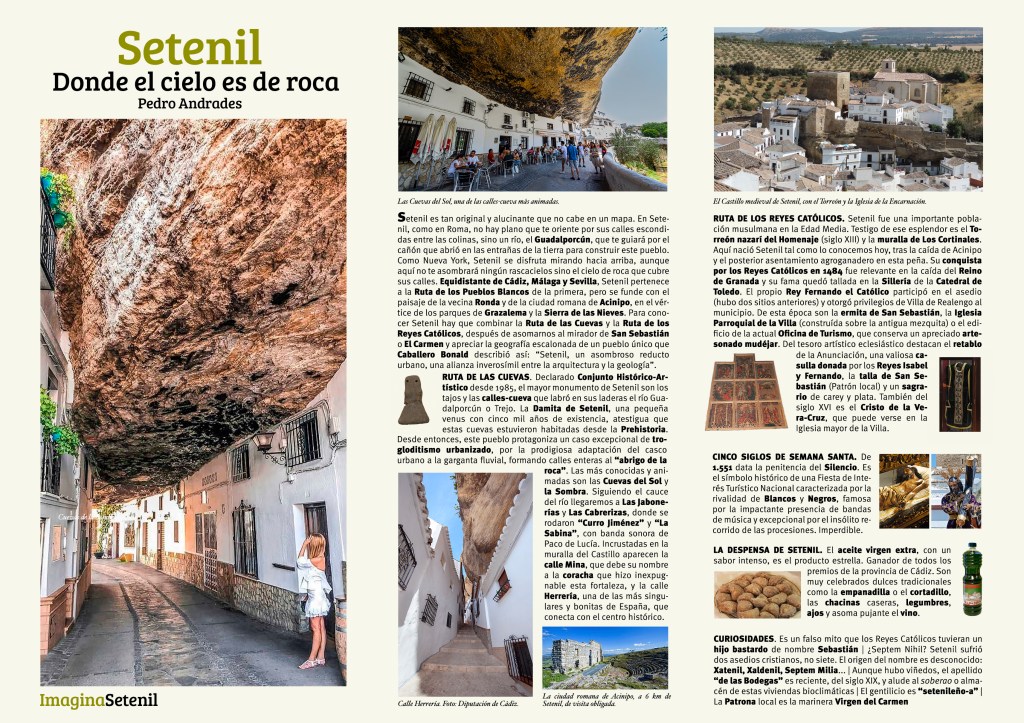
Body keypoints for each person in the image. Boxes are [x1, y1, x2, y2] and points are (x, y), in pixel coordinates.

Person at [297, 534, 333, 669]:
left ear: (314, 545)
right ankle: (321, 657)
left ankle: (311, 660)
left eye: (311, 541)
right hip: (318, 597)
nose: (308, 542)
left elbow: (299, 562)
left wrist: (304, 544)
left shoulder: (317, 559)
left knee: (315, 629)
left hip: (316, 599)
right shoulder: (317, 558)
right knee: (321, 627)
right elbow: (301, 566)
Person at [940, 457, 981, 528]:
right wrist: (958, 501)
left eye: (955, 485)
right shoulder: (946, 497)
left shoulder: (968, 495)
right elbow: (945, 508)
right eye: (951, 485)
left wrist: (971, 506)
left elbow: (979, 506)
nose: (953, 487)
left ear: (959, 484)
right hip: (952, 523)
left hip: (966, 523)